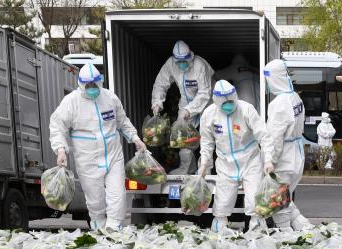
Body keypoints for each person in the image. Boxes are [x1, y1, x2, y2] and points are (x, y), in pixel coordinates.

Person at [50, 64, 146, 231]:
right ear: (81, 84)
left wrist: (135, 138)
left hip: (113, 155)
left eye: (94, 84)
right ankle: (98, 227)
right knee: (95, 200)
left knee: (117, 194)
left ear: (100, 82)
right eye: (88, 85)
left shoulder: (110, 98)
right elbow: (57, 126)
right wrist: (60, 150)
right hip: (88, 159)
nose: (92, 88)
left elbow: (122, 122)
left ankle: (114, 228)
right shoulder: (71, 102)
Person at [198, 80, 266, 233]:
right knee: (222, 204)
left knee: (255, 203)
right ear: (216, 101)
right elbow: (207, 142)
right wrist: (204, 164)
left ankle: (258, 237)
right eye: (224, 103)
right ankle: (218, 236)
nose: (228, 105)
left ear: (235, 97)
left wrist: (268, 159)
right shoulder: (209, 114)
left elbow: (263, 135)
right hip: (225, 164)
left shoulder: (246, 109)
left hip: (250, 161)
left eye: (231, 101)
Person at [261, 58, 311, 230]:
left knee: (278, 201)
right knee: (285, 197)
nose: (268, 84)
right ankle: (305, 228)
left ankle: (286, 235)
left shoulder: (279, 103)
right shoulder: (295, 97)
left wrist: (270, 160)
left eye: (268, 80)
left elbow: (275, 137)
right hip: (296, 154)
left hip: (284, 158)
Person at [151, 40, 214, 175]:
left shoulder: (199, 65)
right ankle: (188, 168)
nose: (182, 64)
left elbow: (204, 93)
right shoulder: (171, 64)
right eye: (179, 61)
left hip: (206, 103)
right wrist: (157, 101)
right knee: (183, 136)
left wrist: (190, 110)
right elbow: (161, 83)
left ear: (190, 56)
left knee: (206, 135)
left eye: (184, 60)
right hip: (185, 102)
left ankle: (206, 169)